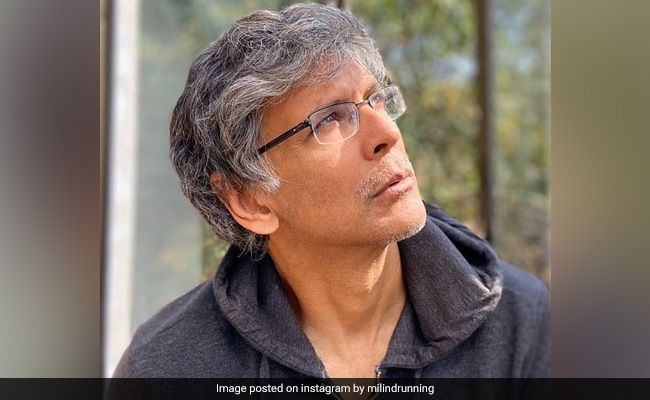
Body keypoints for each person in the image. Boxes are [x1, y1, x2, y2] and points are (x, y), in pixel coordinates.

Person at [113, 2, 550, 379]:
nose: (387, 134)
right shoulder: (165, 370)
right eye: (329, 120)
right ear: (248, 200)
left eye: (377, 99)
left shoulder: (522, 326)